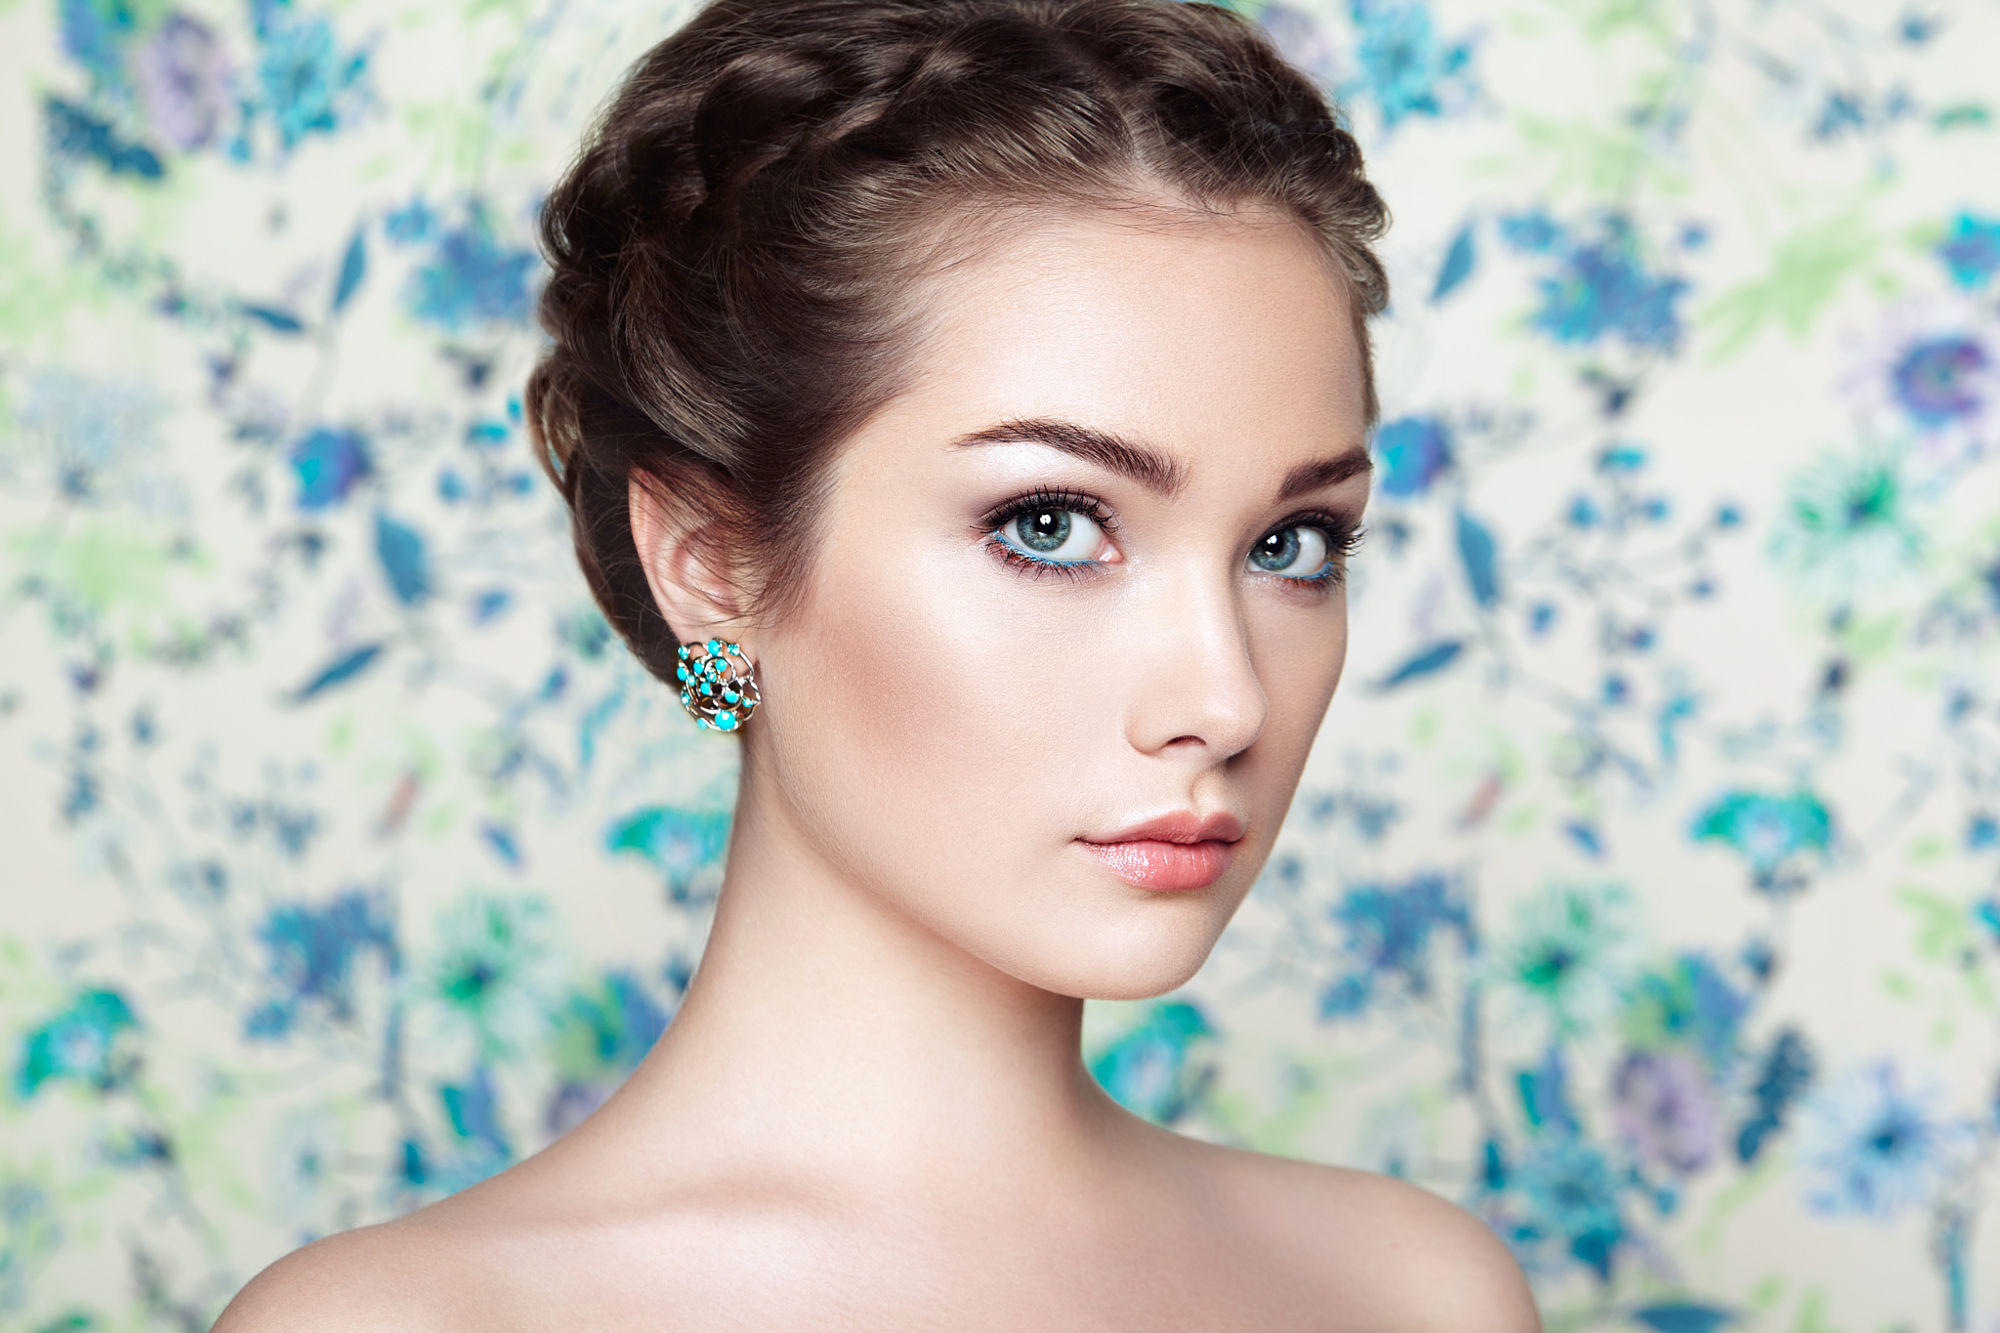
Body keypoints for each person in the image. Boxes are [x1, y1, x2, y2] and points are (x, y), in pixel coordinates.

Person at [214, 0, 1543, 1327]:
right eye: (1051, 524)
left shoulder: (1414, 1294)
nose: (1226, 697)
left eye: (1293, 543)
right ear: (708, 563)